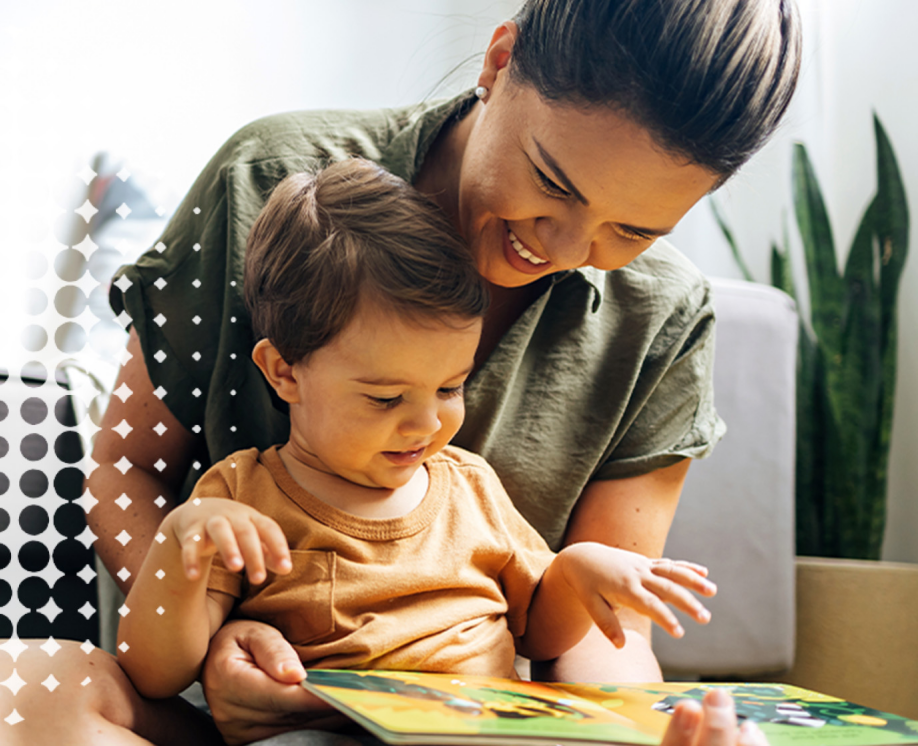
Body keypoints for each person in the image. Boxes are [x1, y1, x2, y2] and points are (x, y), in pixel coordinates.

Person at [88, 1, 801, 744]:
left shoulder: (663, 315)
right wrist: (207, 642)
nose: (563, 246)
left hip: (471, 723)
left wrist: (640, 734)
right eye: (553, 182)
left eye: (635, 231)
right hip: (242, 711)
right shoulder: (263, 180)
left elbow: (593, 632)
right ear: (498, 63)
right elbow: (125, 465)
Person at [118, 159, 718, 723]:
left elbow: (538, 631)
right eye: (385, 398)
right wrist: (177, 546)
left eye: (451, 388)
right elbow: (154, 674)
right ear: (284, 372)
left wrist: (580, 572)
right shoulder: (240, 498)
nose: (425, 425)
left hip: (477, 730)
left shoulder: (470, 487)